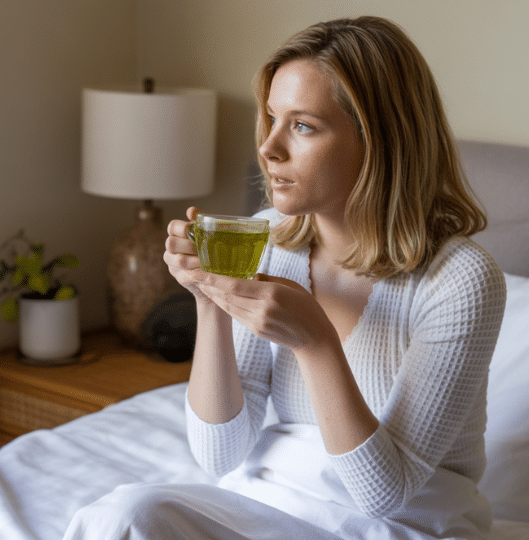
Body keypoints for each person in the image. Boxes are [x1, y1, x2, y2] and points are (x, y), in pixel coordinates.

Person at [64, 16, 506, 540]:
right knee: (124, 517)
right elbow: (218, 456)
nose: (268, 148)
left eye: (302, 126)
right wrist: (210, 299)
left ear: (377, 142)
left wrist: (315, 341)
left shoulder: (461, 281)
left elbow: (385, 493)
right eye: (271, 119)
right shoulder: (268, 238)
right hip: (273, 505)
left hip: (404, 524)